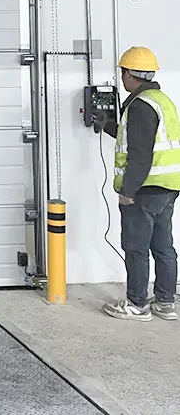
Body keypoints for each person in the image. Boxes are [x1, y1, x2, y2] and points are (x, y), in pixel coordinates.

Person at [94, 47, 180, 321]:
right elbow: (138, 138)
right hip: (167, 186)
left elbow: (140, 154)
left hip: (144, 189)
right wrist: (107, 124)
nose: (122, 78)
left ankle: (136, 304)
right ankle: (165, 302)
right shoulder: (161, 100)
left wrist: (127, 191)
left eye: (123, 73)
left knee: (136, 247)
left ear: (130, 74)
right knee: (163, 246)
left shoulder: (140, 105)